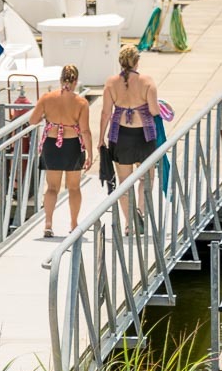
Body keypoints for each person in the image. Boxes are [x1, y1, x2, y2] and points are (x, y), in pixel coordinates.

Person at [99, 45, 159, 234]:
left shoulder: (111, 83)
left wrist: (100, 139)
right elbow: (154, 111)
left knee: (124, 183)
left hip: (120, 136)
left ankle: (129, 223)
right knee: (147, 179)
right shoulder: (147, 81)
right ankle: (140, 210)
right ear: (137, 61)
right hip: (144, 136)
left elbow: (105, 113)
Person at [28, 64, 93, 238]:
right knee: (74, 188)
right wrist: (90, 153)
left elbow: (32, 120)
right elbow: (85, 131)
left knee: (52, 188)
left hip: (51, 145)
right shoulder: (81, 102)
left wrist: (47, 118)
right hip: (72, 146)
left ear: (60, 79)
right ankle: (74, 223)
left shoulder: (47, 98)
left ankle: (48, 224)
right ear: (76, 81)